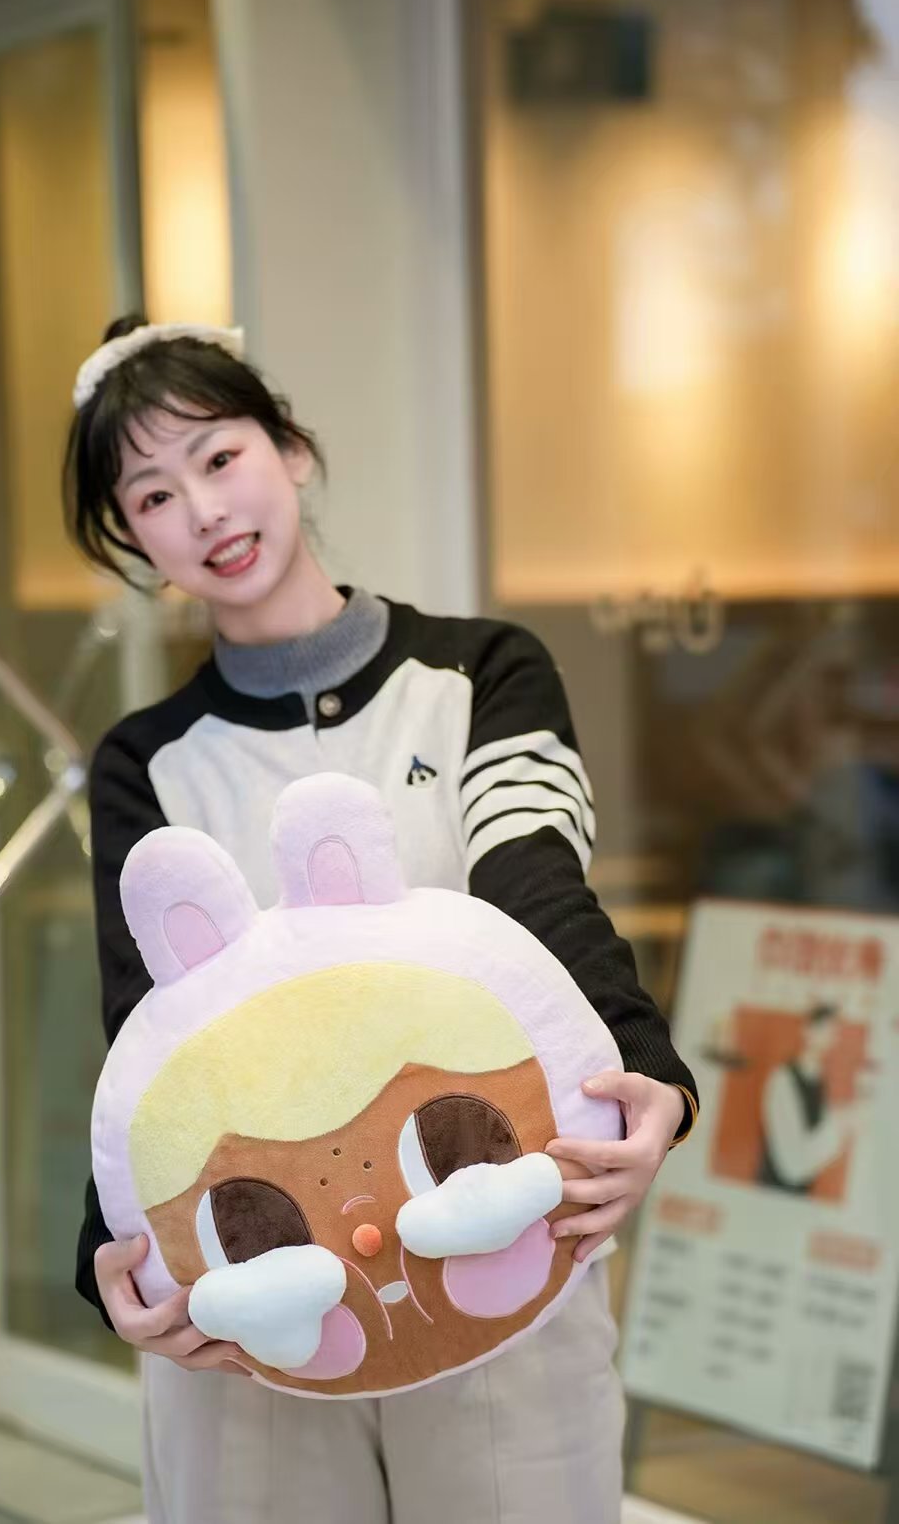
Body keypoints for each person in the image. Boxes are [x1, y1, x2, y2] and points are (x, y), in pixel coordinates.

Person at [64, 317, 699, 1524]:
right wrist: (121, 1261)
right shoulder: (146, 761)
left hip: (495, 1236)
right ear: (138, 541)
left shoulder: (481, 674)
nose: (203, 510)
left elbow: (537, 888)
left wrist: (646, 1074)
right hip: (261, 1298)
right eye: (152, 495)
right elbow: (145, 1022)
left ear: (292, 449)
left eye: (219, 457)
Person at [757, 1003, 856, 1195]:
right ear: (807, 1030)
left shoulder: (820, 1081)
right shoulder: (782, 1080)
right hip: (774, 1192)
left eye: (832, 1032)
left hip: (801, 1193)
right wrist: (839, 1124)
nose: (828, 1038)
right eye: (822, 1029)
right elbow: (792, 1164)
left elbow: (821, 1146)